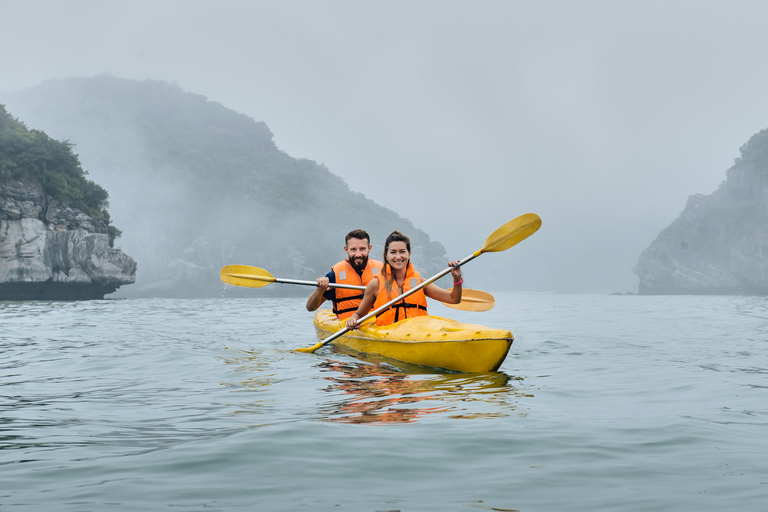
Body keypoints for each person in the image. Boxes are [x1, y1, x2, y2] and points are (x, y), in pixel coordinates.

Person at [345, 230, 462, 329]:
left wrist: (457, 279)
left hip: (418, 332)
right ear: (386, 255)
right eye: (393, 252)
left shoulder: (420, 282)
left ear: (409, 253)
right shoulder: (375, 284)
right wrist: (353, 320)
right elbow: (359, 314)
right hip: (388, 336)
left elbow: (453, 299)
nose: (398, 257)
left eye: (402, 252)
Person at [306, 229, 384, 320]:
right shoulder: (334, 275)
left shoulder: (383, 271)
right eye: (353, 249)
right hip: (348, 326)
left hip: (378, 326)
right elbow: (310, 307)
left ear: (369, 248)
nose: (358, 254)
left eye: (362, 249)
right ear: (346, 250)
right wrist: (320, 290)